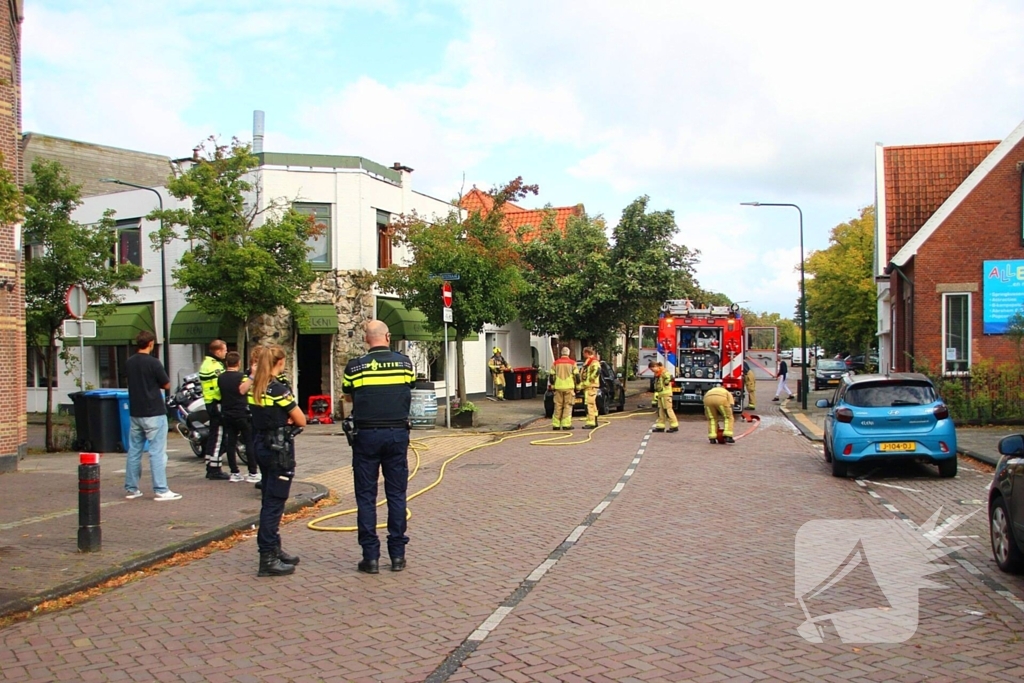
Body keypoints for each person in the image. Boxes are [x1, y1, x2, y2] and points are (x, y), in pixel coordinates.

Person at [343, 320, 416, 574]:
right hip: (396, 434)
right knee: (396, 495)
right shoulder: (405, 363)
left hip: (366, 436)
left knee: (366, 496)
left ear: (366, 339)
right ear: (387, 336)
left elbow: (347, 394)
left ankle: (370, 557)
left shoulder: (355, 367)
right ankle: (397, 555)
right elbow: (409, 387)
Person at [248, 345, 305, 577]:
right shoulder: (278, 389)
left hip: (261, 445)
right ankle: (267, 558)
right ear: (279, 363)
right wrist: (290, 420)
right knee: (275, 503)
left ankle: (274, 548)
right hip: (279, 450)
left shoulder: (255, 387)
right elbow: (300, 419)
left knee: (268, 499)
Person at [124, 331, 180, 501]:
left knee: (134, 450)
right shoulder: (154, 363)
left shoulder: (129, 362)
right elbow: (166, 383)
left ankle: (132, 488)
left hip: (136, 411)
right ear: (150, 344)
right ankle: (161, 489)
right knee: (157, 452)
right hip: (154, 411)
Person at [218, 351, 260, 484]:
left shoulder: (221, 377)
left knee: (231, 442)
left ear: (226, 363)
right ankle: (252, 472)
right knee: (249, 442)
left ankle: (234, 472)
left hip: (227, 413)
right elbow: (246, 389)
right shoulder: (242, 377)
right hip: (242, 413)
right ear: (238, 363)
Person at [199, 339, 230, 480]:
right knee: (218, 436)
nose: (226, 352)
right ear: (217, 351)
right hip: (216, 402)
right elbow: (220, 385)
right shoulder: (215, 366)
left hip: (210, 402)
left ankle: (211, 465)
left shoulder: (207, 363)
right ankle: (214, 469)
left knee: (214, 435)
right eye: (224, 350)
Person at [550, 347, 578, 431]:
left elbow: (551, 376)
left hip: (558, 387)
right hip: (569, 387)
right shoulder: (572, 363)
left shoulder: (555, 363)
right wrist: (578, 386)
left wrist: (553, 386)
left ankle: (556, 425)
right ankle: (566, 425)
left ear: (561, 353)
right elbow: (577, 376)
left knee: (558, 406)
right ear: (568, 353)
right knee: (568, 406)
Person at [650, 361, 678, 433]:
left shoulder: (664, 372)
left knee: (668, 410)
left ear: (656, 366)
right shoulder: (657, 374)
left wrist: (666, 382)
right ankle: (660, 426)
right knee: (661, 411)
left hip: (666, 394)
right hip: (661, 394)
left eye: (652, 369)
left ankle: (674, 426)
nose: (652, 371)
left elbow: (669, 378)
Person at [580, 347, 602, 429]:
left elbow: (597, 371)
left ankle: (591, 423)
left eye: (583, 353)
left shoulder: (593, 361)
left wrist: (590, 379)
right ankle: (594, 420)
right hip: (588, 386)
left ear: (586, 353)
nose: (583, 354)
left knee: (589, 404)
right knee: (593, 404)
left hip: (591, 386)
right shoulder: (589, 361)